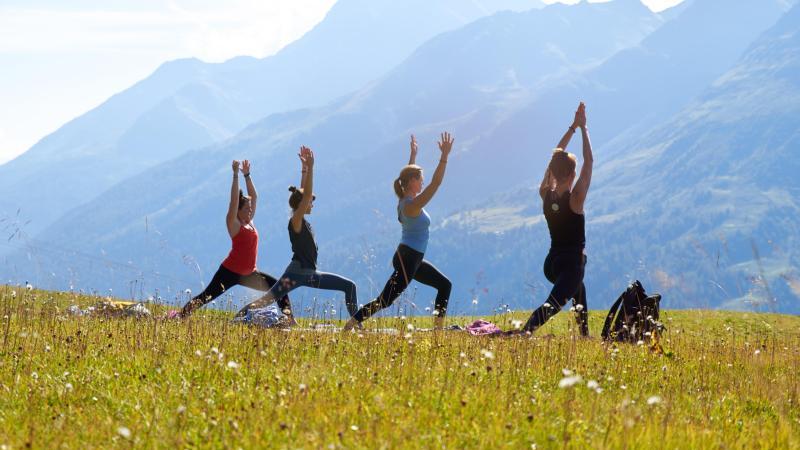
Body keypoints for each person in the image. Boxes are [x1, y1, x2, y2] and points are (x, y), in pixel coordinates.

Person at [344, 133, 453, 331]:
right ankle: (352, 323)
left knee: (445, 285)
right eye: (420, 179)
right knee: (385, 300)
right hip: (408, 258)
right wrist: (444, 156)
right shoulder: (412, 206)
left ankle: (438, 330)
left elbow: (407, 176)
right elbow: (436, 183)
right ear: (412, 182)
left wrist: (413, 156)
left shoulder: (404, 199)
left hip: (412, 257)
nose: (422, 183)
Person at [235, 146, 358, 321]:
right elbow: (305, 195)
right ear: (302, 204)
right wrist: (312, 167)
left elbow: (303, 193)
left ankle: (355, 323)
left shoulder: (300, 219)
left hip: (307, 274)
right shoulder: (296, 220)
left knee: (349, 286)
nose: (312, 204)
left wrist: (305, 170)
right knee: (266, 300)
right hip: (298, 273)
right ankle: (235, 320)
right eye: (310, 202)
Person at [175, 160, 293, 321]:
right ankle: (179, 317)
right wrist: (235, 175)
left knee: (280, 287)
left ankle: (289, 319)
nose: (250, 210)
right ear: (237, 210)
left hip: (250, 274)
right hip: (229, 272)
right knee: (206, 297)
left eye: (250, 208)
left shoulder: (250, 222)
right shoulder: (234, 223)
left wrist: (247, 175)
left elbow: (255, 196)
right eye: (246, 208)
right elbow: (233, 202)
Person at [512, 102, 593, 336]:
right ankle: (524, 334)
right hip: (571, 263)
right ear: (571, 175)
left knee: (578, 288)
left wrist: (572, 128)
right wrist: (584, 128)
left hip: (552, 264)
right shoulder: (575, 199)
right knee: (553, 304)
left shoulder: (545, 194)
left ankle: (585, 335)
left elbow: (555, 157)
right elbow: (589, 162)